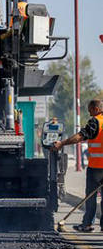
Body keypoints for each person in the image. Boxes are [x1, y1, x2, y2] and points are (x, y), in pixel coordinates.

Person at [52, 99, 103, 232]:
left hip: (97, 168)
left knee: (90, 197)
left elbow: (81, 136)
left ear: (96, 109)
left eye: (90, 109)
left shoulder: (96, 121)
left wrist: (62, 143)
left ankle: (87, 224)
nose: (89, 112)